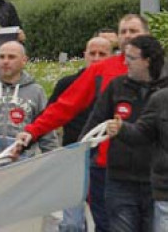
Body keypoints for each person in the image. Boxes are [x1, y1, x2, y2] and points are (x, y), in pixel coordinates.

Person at [15, 14, 150, 232]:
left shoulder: (160, 71)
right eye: (123, 31)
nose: (127, 36)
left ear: (147, 35)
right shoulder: (101, 71)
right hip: (107, 169)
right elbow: (65, 106)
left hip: (151, 169)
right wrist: (32, 131)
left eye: (133, 31)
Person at [80, 35, 164, 232]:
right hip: (120, 180)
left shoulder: (165, 91)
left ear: (147, 61)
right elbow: (94, 124)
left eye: (131, 58)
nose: (124, 62)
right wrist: (78, 156)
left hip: (158, 185)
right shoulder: (117, 86)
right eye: (123, 56)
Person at [105, 40, 168, 232]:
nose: (125, 62)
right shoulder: (161, 99)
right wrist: (121, 129)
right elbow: (142, 133)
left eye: (130, 58)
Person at [53, 36, 113, 232]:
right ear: (84, 55)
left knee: (105, 219)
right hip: (73, 157)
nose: (96, 58)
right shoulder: (67, 84)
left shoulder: (118, 86)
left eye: (102, 54)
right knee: (72, 223)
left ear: (111, 57)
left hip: (107, 160)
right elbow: (50, 116)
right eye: (92, 53)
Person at [0, 41, 56, 157]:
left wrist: (52, 159)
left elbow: (46, 131)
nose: (5, 61)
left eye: (11, 57)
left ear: (24, 60)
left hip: (22, 160)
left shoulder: (36, 91)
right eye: (2, 57)